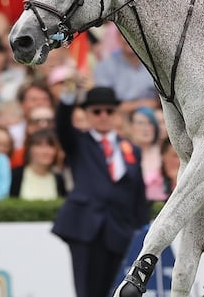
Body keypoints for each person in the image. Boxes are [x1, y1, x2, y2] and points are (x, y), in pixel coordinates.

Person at [53, 86, 149, 297]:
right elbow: (61, 125)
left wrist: (144, 230)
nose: (103, 116)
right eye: (97, 111)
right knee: (88, 291)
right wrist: (69, 96)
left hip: (120, 229)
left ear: (117, 114)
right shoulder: (78, 141)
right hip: (86, 228)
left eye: (109, 111)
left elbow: (138, 193)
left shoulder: (130, 149)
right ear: (86, 114)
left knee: (117, 291)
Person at [10, 128, 66, 200]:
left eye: (50, 146)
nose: (45, 151)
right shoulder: (15, 175)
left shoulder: (59, 179)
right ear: (30, 149)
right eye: (39, 146)